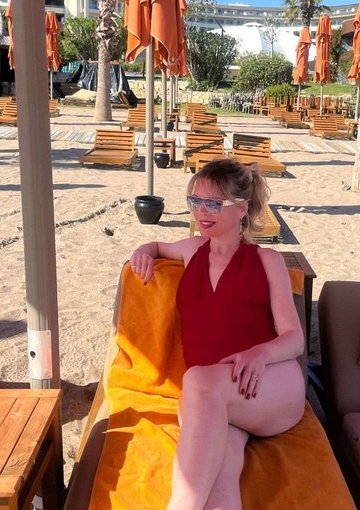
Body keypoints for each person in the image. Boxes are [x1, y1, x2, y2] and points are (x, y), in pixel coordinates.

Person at [130, 158, 306, 510]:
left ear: (241, 208)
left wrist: (260, 353)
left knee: (197, 380)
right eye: (196, 201)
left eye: (213, 203)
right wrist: (143, 251)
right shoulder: (191, 249)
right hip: (211, 396)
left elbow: (295, 338)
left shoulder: (267, 260)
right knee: (221, 477)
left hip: (267, 384)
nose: (201, 212)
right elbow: (157, 246)